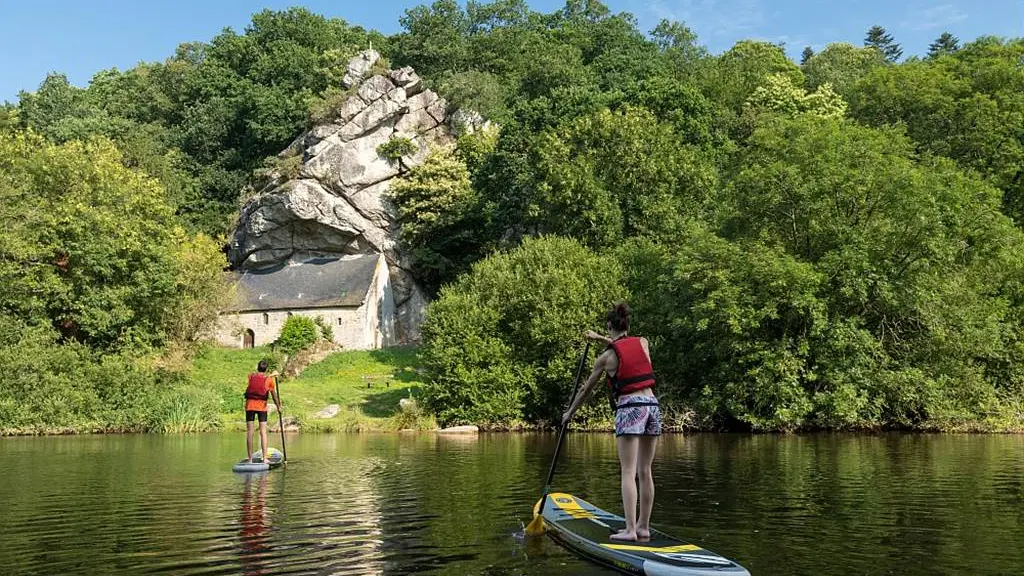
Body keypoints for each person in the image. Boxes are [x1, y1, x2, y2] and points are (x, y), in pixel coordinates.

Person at [562, 302, 661, 542]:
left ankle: (629, 531)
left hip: (630, 409)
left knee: (628, 471)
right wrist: (600, 338)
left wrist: (570, 413)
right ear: (627, 325)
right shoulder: (643, 342)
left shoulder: (605, 359)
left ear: (609, 326)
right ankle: (643, 527)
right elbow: (624, 347)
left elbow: (586, 389)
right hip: (653, 407)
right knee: (645, 470)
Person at [244, 360, 281, 463]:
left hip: (250, 406)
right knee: (263, 432)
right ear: (266, 369)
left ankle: (250, 459)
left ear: (257, 367)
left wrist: (271, 375)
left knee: (250, 432)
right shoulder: (269, 380)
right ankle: (265, 458)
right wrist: (278, 407)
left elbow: (258, 377)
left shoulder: (250, 376)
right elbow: (274, 396)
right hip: (262, 407)